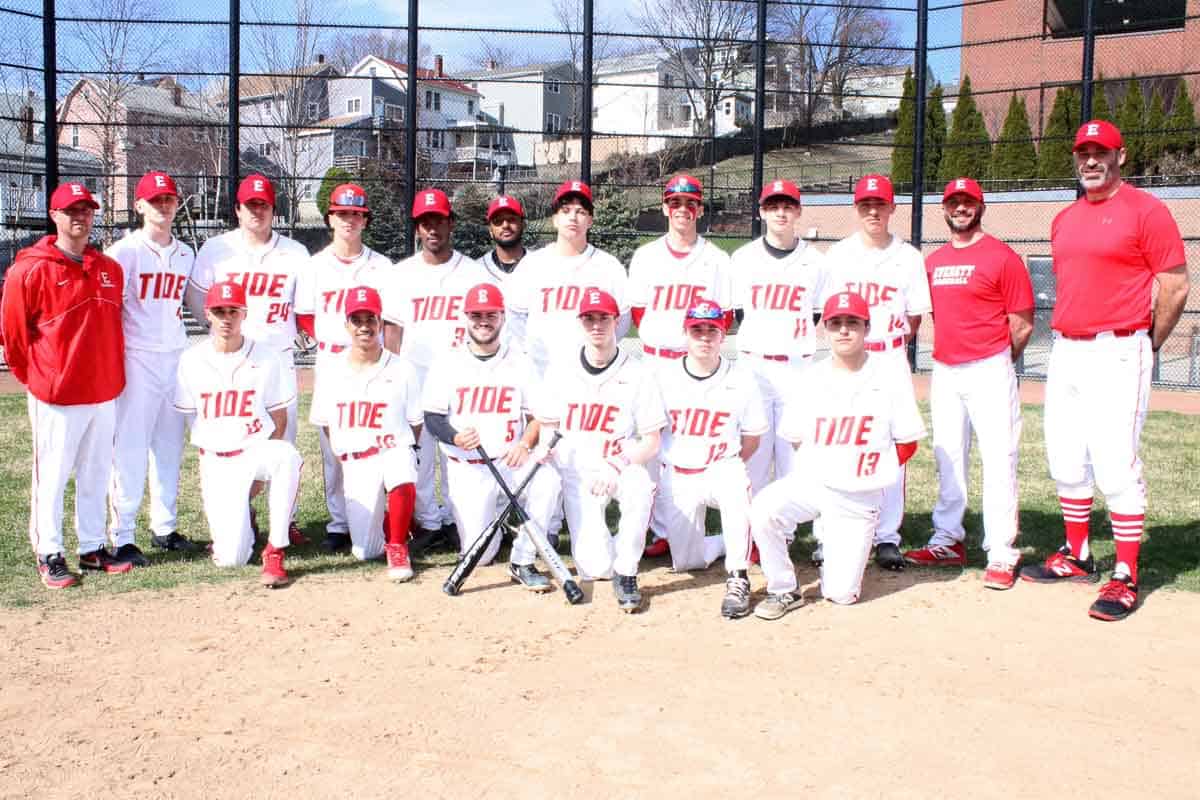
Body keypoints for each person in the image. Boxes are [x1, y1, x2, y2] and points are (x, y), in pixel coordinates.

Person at [1019, 120, 1190, 622]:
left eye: (1101, 152)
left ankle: (1126, 573)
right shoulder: (1064, 218)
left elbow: (1175, 286)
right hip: (1068, 350)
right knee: (1065, 457)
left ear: (1121, 157)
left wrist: (1148, 342)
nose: (1091, 161)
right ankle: (1078, 555)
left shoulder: (1147, 211)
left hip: (1121, 347)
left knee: (1115, 462)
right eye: (1083, 153)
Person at [749, 292, 926, 619]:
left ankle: (839, 545)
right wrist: (827, 464)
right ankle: (784, 588)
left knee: (840, 594)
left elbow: (907, 442)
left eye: (852, 323)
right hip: (815, 484)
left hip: (859, 496)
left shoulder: (888, 378)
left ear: (866, 328)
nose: (844, 330)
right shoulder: (812, 377)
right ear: (825, 330)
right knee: (763, 509)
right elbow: (796, 437)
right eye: (836, 324)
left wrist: (870, 471)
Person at [902, 178, 1034, 590]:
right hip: (945, 368)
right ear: (944, 209)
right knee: (948, 457)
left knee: (998, 459)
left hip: (990, 366)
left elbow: (1022, 322)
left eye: (968, 202)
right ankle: (947, 539)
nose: (961, 208)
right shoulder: (934, 261)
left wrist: (995, 358)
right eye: (954, 202)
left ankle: (1000, 551)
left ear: (981, 207)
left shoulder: (1002, 257)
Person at [1, 182, 129, 587]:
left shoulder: (109, 268)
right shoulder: (30, 268)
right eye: (71, 210)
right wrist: (39, 379)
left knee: (95, 473)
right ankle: (49, 551)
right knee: (52, 476)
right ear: (54, 215)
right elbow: (13, 337)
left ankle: (91, 547)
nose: (80, 217)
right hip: (57, 394)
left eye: (86, 210)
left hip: (103, 390)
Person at [188, 174, 309, 543]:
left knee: (282, 441)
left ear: (274, 210)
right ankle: (240, 512)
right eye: (250, 205)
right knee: (231, 439)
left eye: (264, 205)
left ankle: (282, 521)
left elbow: (304, 307)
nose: (257, 211)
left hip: (277, 357)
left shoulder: (295, 252)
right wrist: (220, 336)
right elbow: (197, 300)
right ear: (237, 209)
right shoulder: (215, 249)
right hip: (232, 363)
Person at [822, 174, 931, 570]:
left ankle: (887, 535)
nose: (873, 211)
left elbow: (916, 316)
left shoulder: (909, 257)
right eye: (866, 204)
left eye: (879, 204)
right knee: (841, 438)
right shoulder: (838, 256)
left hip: (888, 356)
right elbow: (829, 311)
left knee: (895, 445)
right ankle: (834, 527)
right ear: (857, 209)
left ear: (891, 208)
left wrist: (888, 340)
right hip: (850, 357)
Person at [533, 288, 666, 613]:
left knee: (640, 487)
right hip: (578, 472)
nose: (596, 325)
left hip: (618, 464)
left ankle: (627, 571)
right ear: (580, 322)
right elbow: (548, 427)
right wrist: (545, 453)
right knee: (595, 568)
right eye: (589, 318)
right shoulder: (561, 369)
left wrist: (618, 464)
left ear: (616, 321)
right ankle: (613, 560)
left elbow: (652, 441)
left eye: (603, 318)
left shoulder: (638, 372)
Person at [422, 282, 561, 591]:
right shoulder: (448, 362)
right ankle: (500, 519)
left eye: (490, 314)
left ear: (502, 317)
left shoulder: (519, 360)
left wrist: (525, 443)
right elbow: (432, 417)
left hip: (510, 459)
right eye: (476, 315)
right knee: (482, 555)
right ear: (465, 317)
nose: (483, 321)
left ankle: (522, 560)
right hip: (469, 466)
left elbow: (539, 414)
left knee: (547, 480)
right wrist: (455, 436)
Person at [627, 174, 732, 560]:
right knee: (653, 447)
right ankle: (660, 530)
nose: (682, 210)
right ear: (664, 208)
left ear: (700, 209)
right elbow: (639, 312)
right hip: (657, 361)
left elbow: (726, 316)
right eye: (675, 203)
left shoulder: (716, 259)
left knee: (693, 444)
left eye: (689, 204)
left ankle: (690, 526)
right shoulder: (646, 256)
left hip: (696, 364)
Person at [379, 187, 489, 549]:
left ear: (451, 224)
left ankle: (463, 520)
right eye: (425, 222)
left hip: (462, 377)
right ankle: (428, 524)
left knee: (461, 454)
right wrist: (391, 375)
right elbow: (392, 330)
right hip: (416, 376)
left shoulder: (472, 272)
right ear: (416, 228)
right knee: (421, 454)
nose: (432, 229)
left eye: (439, 221)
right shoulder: (400, 274)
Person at [173, 281, 302, 587]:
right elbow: (190, 415)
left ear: (244, 314)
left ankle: (276, 549)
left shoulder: (266, 356)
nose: (226, 318)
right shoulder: (191, 360)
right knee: (231, 558)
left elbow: (279, 417)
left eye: (234, 311)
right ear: (208, 314)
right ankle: (246, 521)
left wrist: (260, 477)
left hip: (255, 451)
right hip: (217, 462)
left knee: (286, 456)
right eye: (219, 311)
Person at [104, 171, 200, 565]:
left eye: (169, 199)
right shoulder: (123, 252)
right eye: (155, 199)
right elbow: (111, 310)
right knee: (129, 447)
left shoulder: (186, 253)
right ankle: (122, 534)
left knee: (168, 445)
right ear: (139, 205)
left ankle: (165, 527)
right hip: (137, 356)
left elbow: (193, 303)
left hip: (174, 356)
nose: (163, 205)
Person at [294, 182, 391, 552]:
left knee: (375, 440)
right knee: (333, 446)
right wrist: (328, 342)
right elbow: (304, 316)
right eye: (342, 213)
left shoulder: (381, 266)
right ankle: (338, 523)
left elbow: (392, 319)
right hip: (335, 358)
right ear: (330, 218)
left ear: (364, 220)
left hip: (372, 359)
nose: (349, 219)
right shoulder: (314, 266)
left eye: (356, 214)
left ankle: (375, 517)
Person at [654, 299, 767, 619]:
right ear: (685, 333)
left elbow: (753, 438)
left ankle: (738, 575)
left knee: (736, 489)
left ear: (723, 335)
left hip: (722, 467)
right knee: (688, 563)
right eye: (697, 330)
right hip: (678, 474)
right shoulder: (663, 377)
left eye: (712, 330)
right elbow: (651, 432)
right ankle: (720, 543)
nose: (704, 337)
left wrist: (727, 460)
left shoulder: (742, 378)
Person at [308, 286, 421, 581]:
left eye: (370, 319)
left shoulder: (403, 368)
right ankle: (390, 522)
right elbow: (325, 422)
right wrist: (346, 449)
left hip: (391, 448)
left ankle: (397, 544)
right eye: (356, 320)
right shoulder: (331, 371)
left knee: (402, 465)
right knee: (365, 551)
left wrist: (408, 449)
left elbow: (416, 422)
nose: (364, 327)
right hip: (358, 461)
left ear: (380, 323)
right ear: (347, 325)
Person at [729, 178, 827, 495]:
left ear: (798, 212)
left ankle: (783, 532)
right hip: (754, 365)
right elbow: (740, 313)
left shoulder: (816, 262)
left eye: (787, 207)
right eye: (773, 207)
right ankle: (752, 531)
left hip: (796, 366)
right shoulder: (743, 258)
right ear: (762, 212)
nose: (781, 213)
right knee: (753, 453)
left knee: (793, 455)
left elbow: (815, 313)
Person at [507, 180, 630, 377]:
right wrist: (533, 351)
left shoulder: (609, 266)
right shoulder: (532, 265)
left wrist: (597, 352)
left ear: (590, 220)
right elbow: (514, 317)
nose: (573, 217)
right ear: (554, 218)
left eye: (581, 212)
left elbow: (622, 320)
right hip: (542, 373)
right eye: (565, 210)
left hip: (591, 374)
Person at [479, 194, 530, 286]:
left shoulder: (539, 264)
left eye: (511, 219)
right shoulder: (478, 269)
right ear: (490, 230)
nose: (505, 225)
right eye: (498, 221)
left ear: (523, 224)